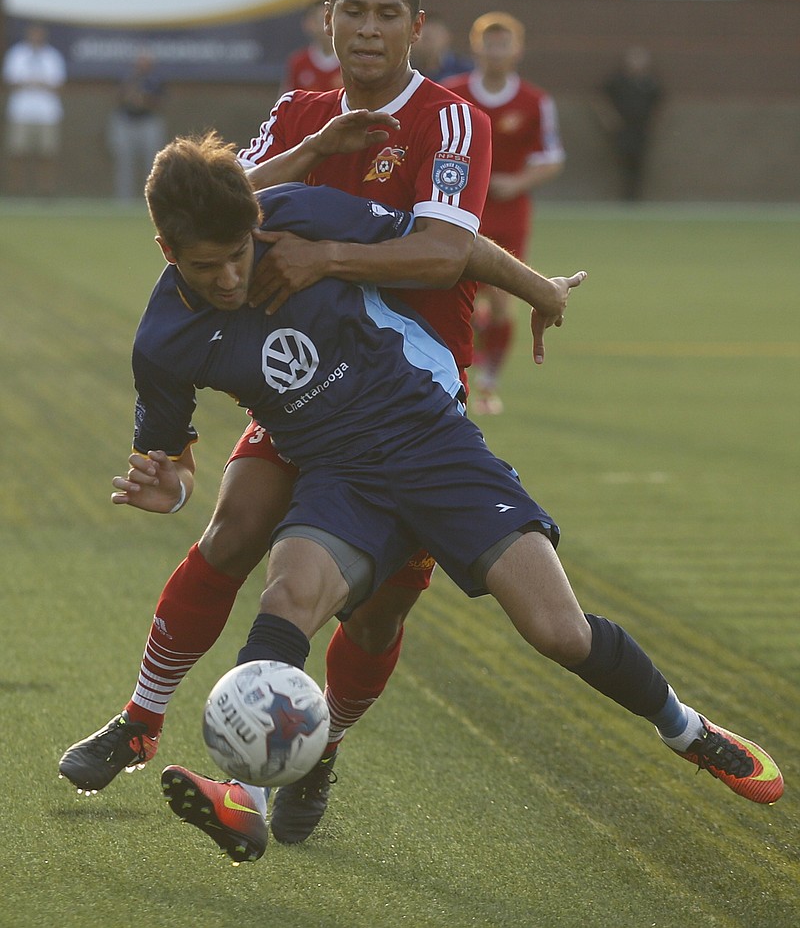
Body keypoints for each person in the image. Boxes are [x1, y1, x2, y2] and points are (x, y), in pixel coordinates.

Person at [108, 132, 780, 865]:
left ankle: (688, 728)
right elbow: (172, 466)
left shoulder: (293, 212)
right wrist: (167, 492)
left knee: (559, 631)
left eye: (242, 253)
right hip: (337, 474)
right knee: (287, 596)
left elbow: (448, 246)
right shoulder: (163, 339)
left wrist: (541, 290)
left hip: (430, 440)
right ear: (167, 251)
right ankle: (246, 797)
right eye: (210, 267)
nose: (234, 276)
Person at [58, 0, 573, 844]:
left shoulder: (447, 121)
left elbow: (444, 246)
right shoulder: (298, 108)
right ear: (327, 18)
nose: (367, 29)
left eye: (385, 14)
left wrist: (534, 288)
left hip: (410, 394)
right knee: (232, 528)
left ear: (414, 27)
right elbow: (212, 206)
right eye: (351, 10)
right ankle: (141, 720)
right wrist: (312, 147)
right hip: (296, 382)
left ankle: (318, 747)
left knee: (375, 615)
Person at [446, 12, 565, 415]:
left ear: (518, 50)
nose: (496, 51)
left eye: (504, 43)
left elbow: (551, 158)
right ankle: (454, 376)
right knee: (454, 296)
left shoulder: (534, 101)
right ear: (476, 47)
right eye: (488, 43)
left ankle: (489, 382)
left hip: (509, 214)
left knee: (500, 301)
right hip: (460, 208)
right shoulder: (452, 93)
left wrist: (516, 183)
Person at [2, 23, 67, 197]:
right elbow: (9, 81)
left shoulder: (52, 56)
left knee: (47, 154)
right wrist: (28, 82)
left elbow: (59, 85)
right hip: (20, 113)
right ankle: (16, 190)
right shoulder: (16, 55)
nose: (36, 37)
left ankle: (46, 191)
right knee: (17, 153)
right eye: (33, 34)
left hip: (47, 114)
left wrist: (41, 84)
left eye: (39, 34)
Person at [597, 46, 662, 202]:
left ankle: (635, 196)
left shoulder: (650, 83)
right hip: (623, 129)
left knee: (639, 162)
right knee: (622, 160)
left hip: (641, 129)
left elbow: (660, 103)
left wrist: (654, 123)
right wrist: (608, 118)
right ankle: (624, 196)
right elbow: (599, 99)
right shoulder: (617, 81)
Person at [108, 52, 167, 201]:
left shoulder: (156, 80)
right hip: (127, 121)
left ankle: (152, 198)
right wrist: (129, 96)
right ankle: (124, 199)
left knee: (153, 163)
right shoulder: (128, 78)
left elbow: (161, 102)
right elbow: (117, 97)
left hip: (148, 121)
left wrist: (144, 101)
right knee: (124, 162)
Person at [280, 1, 342, 94]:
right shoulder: (298, 63)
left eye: (331, 20)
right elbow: (287, 103)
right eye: (322, 20)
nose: (327, 25)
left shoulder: (351, 62)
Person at [409, 12, 471, 84]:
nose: (430, 43)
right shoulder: (408, 73)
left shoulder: (464, 71)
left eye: (435, 36)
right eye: (426, 38)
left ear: (448, 36)